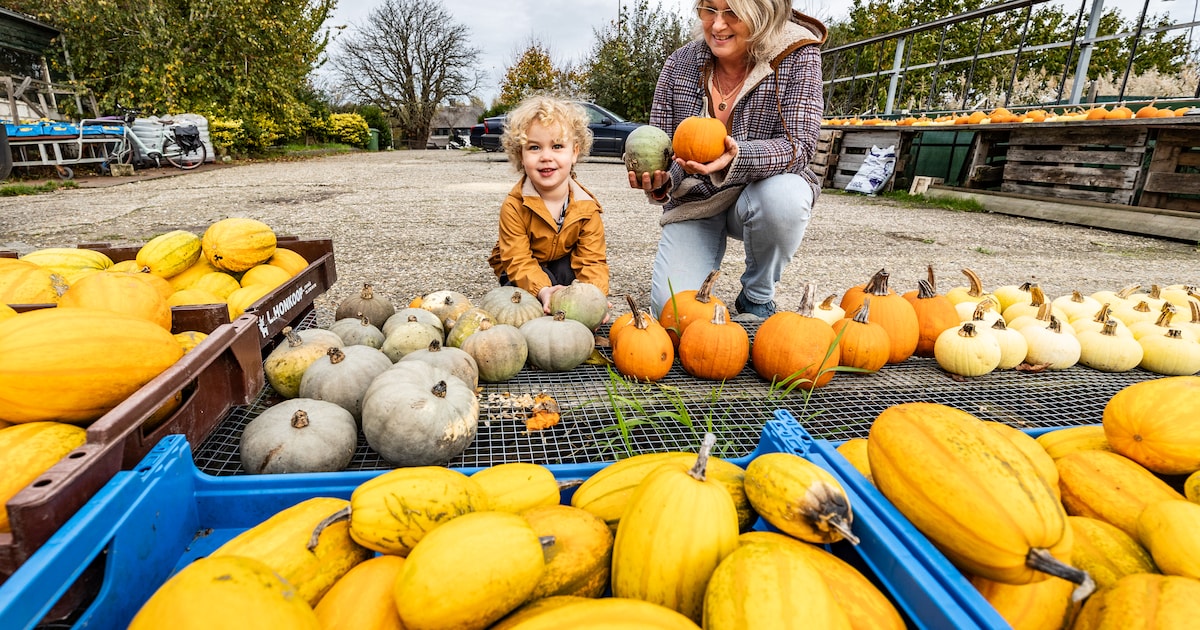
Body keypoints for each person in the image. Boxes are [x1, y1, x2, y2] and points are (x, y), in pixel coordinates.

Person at [628, 0, 827, 320]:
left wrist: (737, 157)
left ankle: (757, 295)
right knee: (674, 314)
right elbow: (666, 149)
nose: (717, 26)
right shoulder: (679, 64)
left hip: (758, 193)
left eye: (732, 12)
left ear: (762, 12)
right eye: (709, 10)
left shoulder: (796, 54)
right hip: (696, 201)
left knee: (786, 198)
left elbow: (800, 146)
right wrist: (663, 181)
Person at [488, 96, 610, 313]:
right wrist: (543, 289)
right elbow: (517, 259)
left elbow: (592, 262)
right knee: (522, 303)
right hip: (520, 272)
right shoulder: (514, 206)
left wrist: (595, 298)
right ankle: (539, 306)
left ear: (574, 152)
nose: (546, 156)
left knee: (568, 276)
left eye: (557, 146)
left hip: (561, 267)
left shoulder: (587, 208)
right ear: (521, 155)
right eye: (534, 147)